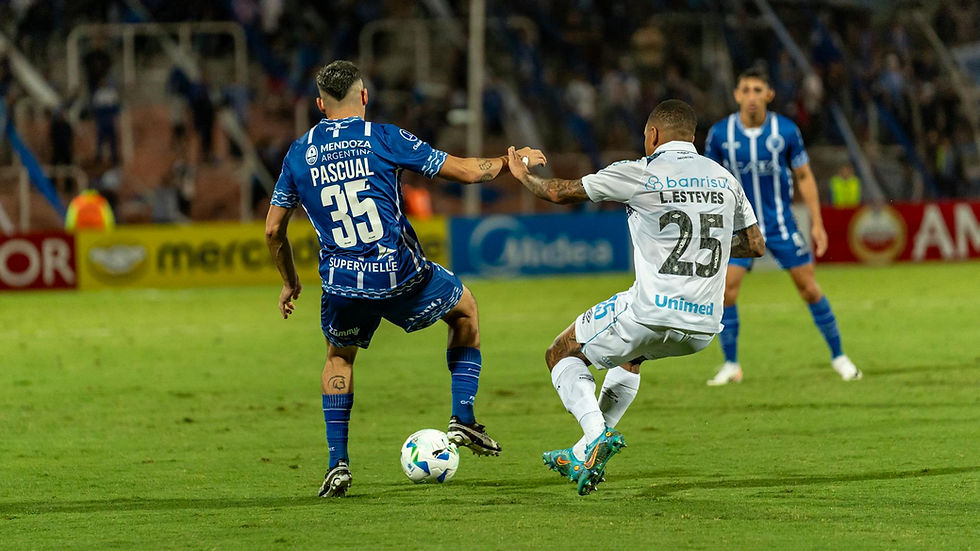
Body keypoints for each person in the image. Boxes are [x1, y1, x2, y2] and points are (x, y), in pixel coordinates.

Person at [264, 60, 546, 498]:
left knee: (339, 359)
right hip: (399, 275)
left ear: (320, 105)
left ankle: (338, 464)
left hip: (342, 284)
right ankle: (462, 417)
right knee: (465, 309)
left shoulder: (299, 152)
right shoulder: (383, 138)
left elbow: (272, 230)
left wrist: (289, 281)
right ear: (364, 97)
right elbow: (469, 172)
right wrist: (513, 161)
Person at [506, 99, 765, 495]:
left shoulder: (639, 173)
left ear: (653, 135)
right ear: (692, 138)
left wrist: (521, 175)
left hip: (649, 312)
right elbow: (754, 244)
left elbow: (559, 193)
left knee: (560, 353)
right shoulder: (724, 178)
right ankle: (584, 452)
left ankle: (594, 437)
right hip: (702, 328)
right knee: (631, 357)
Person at [704, 68, 862, 385]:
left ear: (769, 94)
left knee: (809, 288)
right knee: (726, 293)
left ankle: (840, 357)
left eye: (757, 90)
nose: (751, 96)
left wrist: (817, 223)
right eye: (745, 90)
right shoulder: (720, 135)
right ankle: (731, 364)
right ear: (737, 95)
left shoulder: (786, 131)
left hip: (781, 225)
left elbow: (803, 176)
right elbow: (709, 181)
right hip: (739, 229)